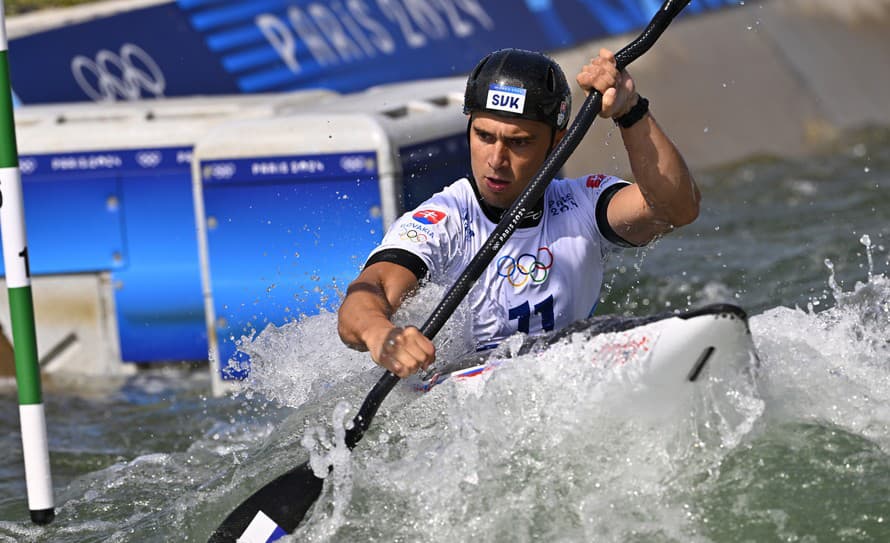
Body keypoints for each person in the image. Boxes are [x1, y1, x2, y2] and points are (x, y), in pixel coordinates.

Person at [337, 47, 700, 378]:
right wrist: (380, 333)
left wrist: (631, 110)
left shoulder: (583, 204)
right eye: (484, 136)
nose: (496, 160)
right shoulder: (441, 220)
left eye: (518, 142)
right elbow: (366, 294)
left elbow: (676, 208)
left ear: (557, 143)